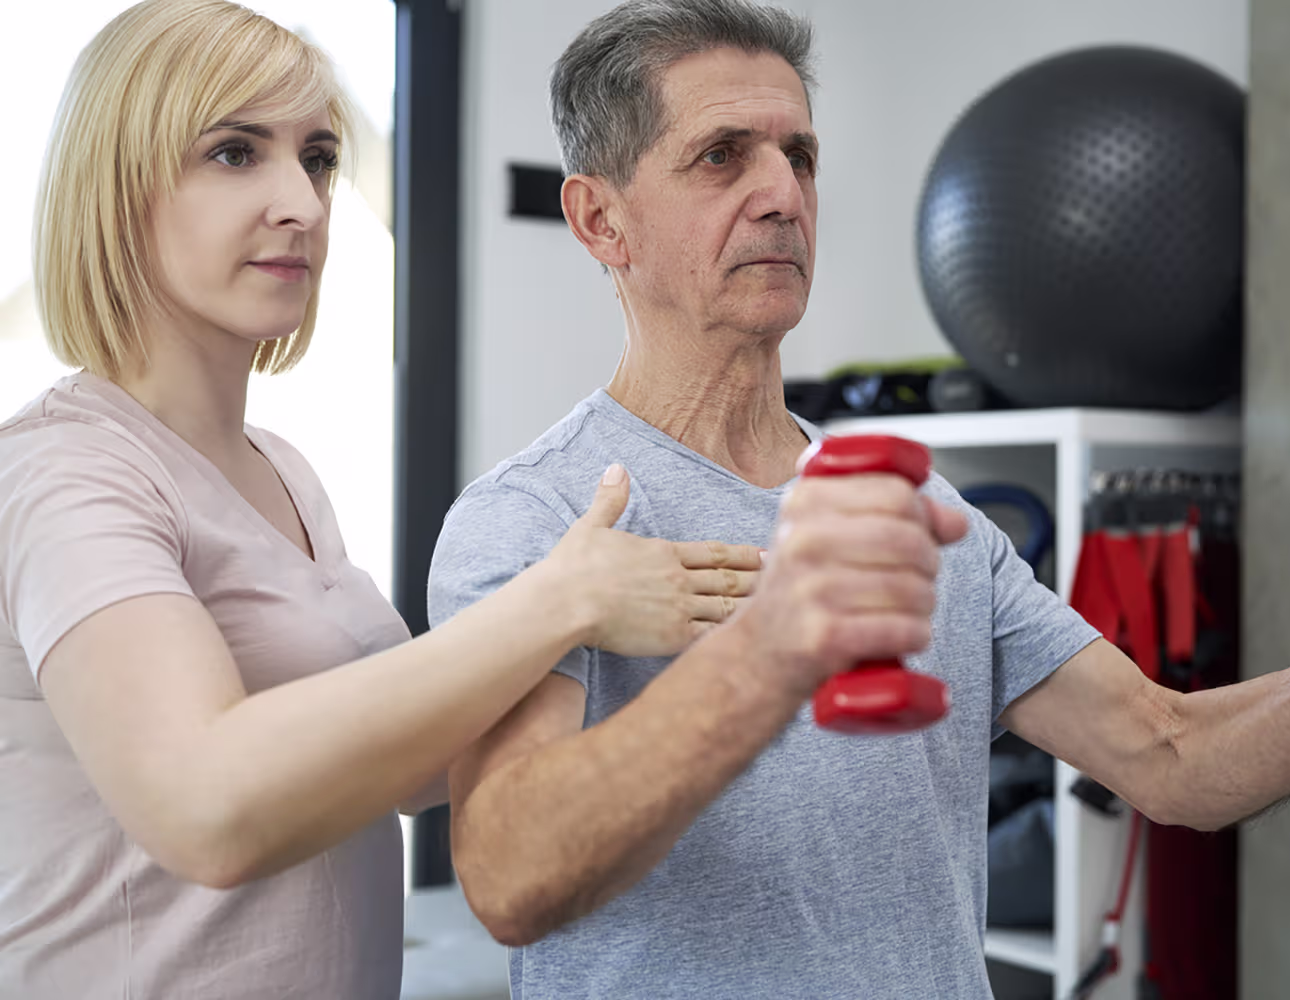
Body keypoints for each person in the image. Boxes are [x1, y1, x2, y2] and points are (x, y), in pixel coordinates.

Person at [426, 1, 1290, 998]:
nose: (783, 193)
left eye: (799, 154)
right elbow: (511, 879)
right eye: (722, 157)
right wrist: (771, 650)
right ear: (600, 220)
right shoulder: (536, 517)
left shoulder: (922, 512)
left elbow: (1169, 754)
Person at [0, 2, 767, 997]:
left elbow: (403, 767)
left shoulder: (281, 471)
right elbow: (207, 807)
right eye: (235, 153)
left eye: (317, 157)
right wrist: (560, 600)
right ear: (116, 187)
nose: (305, 205)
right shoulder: (65, 471)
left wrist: (695, 648)